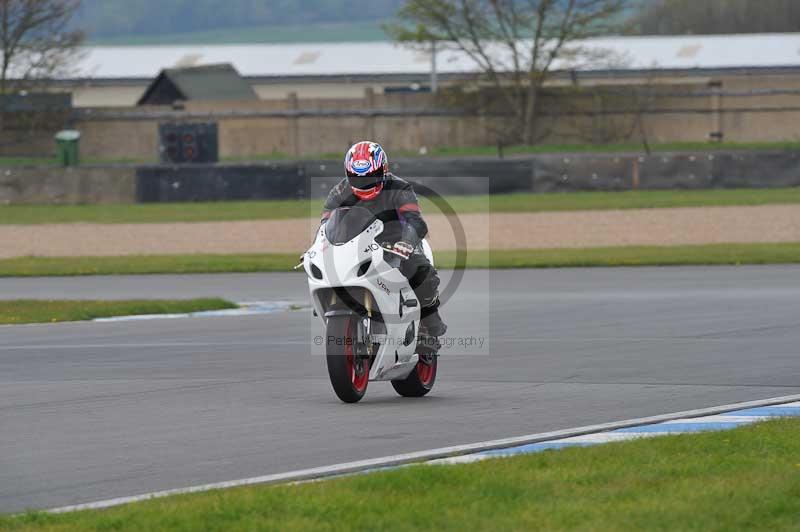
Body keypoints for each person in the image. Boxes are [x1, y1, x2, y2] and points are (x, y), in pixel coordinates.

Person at [320, 140, 447, 344]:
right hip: (357, 245)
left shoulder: (399, 187)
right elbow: (326, 224)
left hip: (395, 242)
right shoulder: (339, 191)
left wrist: (406, 242)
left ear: (383, 170)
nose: (364, 184)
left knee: (421, 271)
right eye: (357, 178)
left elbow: (416, 222)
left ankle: (428, 319)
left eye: (370, 177)